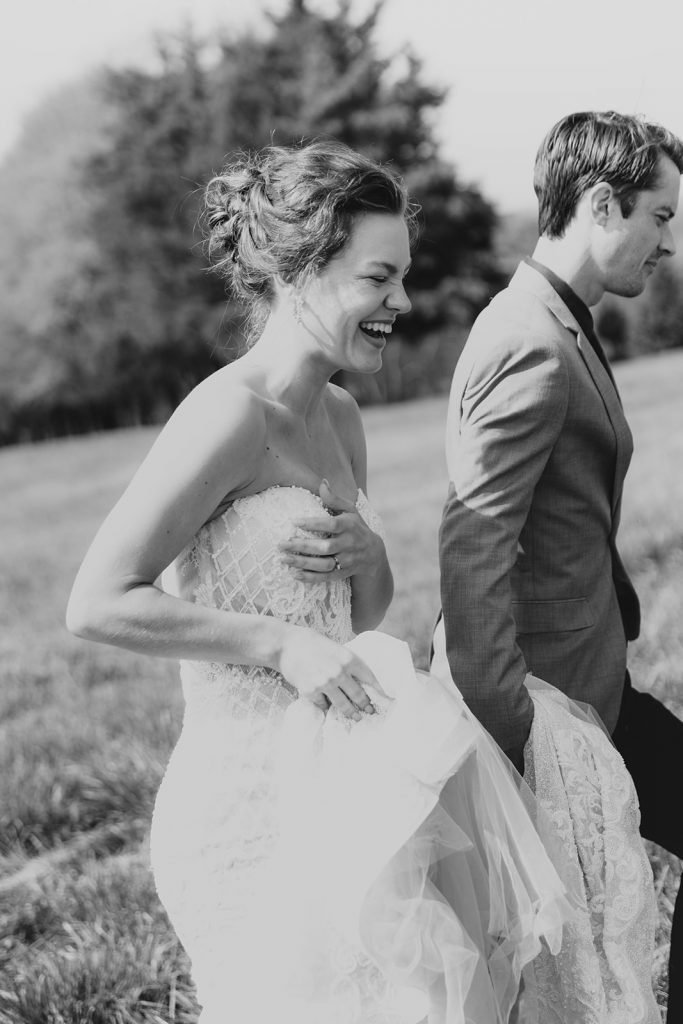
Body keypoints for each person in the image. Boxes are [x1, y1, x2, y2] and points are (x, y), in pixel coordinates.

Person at [66, 140, 573, 1024]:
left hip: (351, 794)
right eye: (378, 278)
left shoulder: (339, 414)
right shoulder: (228, 413)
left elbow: (356, 615)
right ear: (301, 271)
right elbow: (98, 601)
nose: (401, 303)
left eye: (403, 277)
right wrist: (274, 642)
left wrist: (368, 561)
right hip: (247, 816)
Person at [433, 110, 683, 1021]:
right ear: (602, 203)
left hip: (585, 688)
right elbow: (472, 546)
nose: (667, 243)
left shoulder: (553, 320)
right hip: (549, 709)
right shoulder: (529, 341)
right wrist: (515, 732)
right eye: (659, 217)